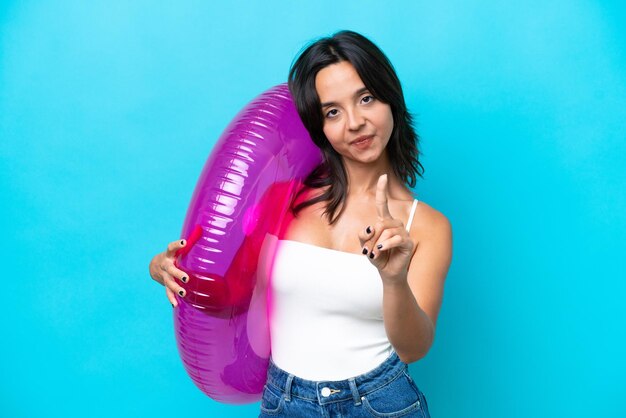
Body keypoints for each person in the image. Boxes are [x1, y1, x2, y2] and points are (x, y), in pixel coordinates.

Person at [149, 30, 452, 417]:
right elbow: (234, 291)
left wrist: (393, 281)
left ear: (390, 99)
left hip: (379, 403)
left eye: (366, 98)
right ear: (318, 125)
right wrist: (170, 270)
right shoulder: (286, 200)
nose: (355, 122)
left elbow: (414, 347)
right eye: (332, 112)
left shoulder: (426, 226)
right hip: (285, 402)